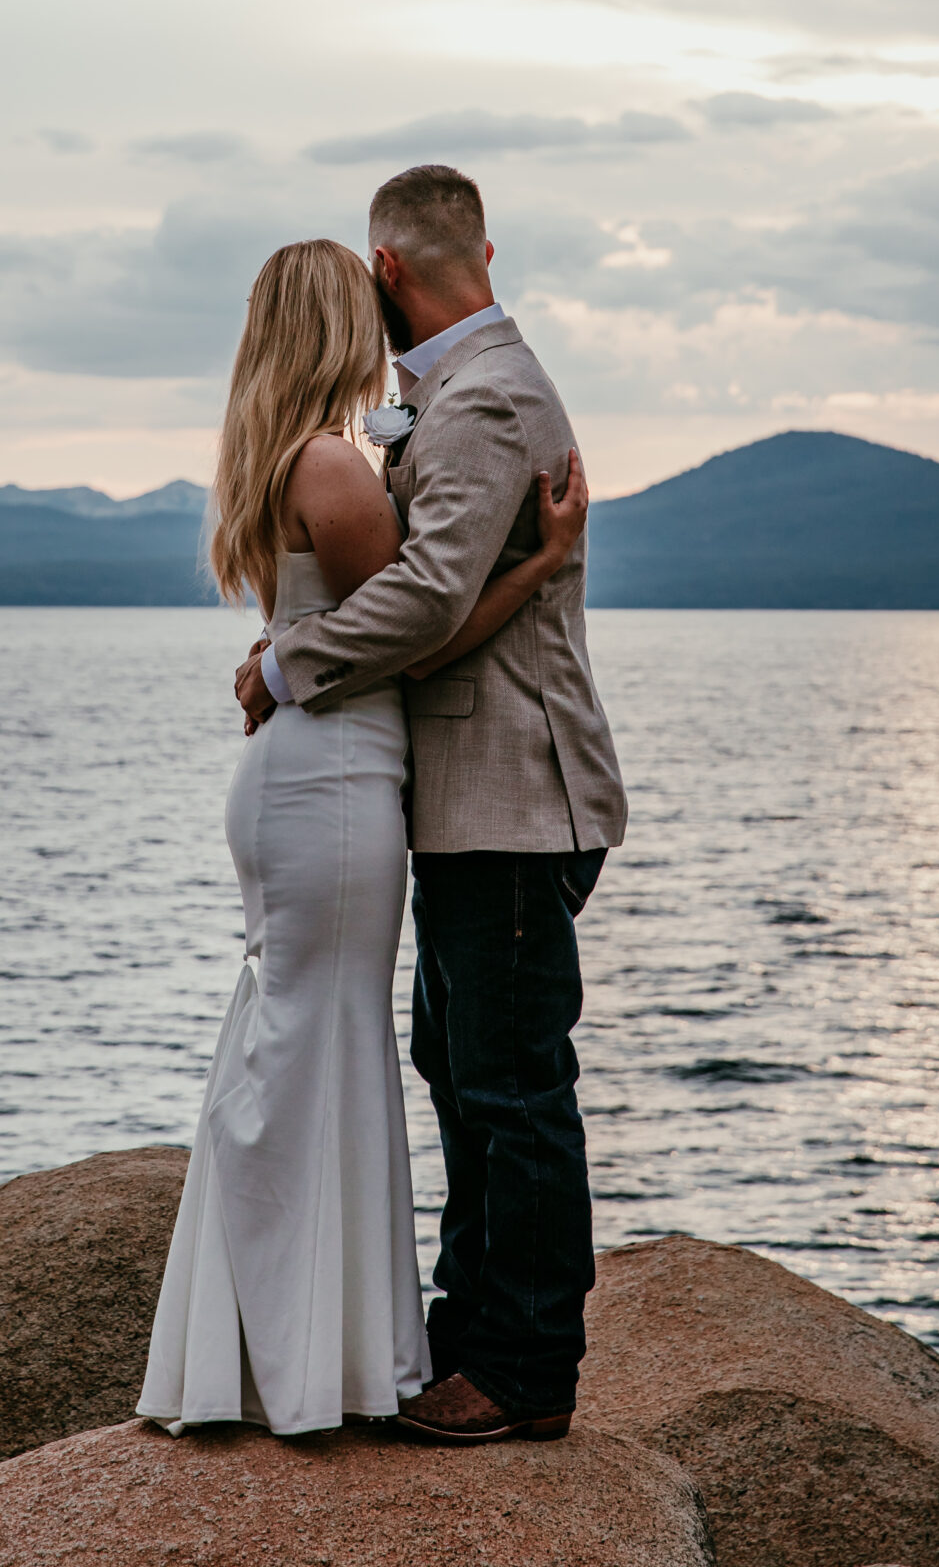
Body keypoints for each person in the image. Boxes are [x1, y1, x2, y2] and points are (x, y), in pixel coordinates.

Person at [137, 234, 589, 1440]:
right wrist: (538, 561)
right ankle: (305, 1342)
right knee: (320, 1039)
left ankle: (287, 1337)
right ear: (339, 321)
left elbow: (375, 625)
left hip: (314, 776)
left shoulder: (293, 454)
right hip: (331, 777)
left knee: (307, 1036)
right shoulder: (334, 466)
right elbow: (418, 630)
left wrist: (286, 662)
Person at [234, 166, 627, 1446]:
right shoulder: (451, 399)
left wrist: (293, 662)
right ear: (480, 251)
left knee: (508, 1082)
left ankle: (522, 1368)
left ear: (389, 271)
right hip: (473, 796)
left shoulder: (482, 399)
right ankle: (474, 1333)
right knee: (460, 1065)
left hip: (511, 792)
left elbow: (431, 600)